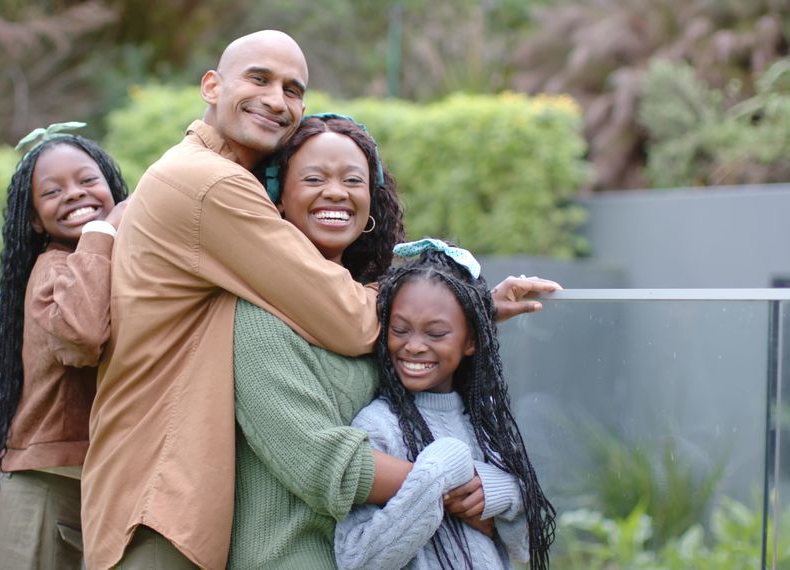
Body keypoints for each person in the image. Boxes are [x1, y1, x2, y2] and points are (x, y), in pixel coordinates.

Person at [83, 30, 558, 569]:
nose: (275, 98)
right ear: (211, 86)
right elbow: (350, 322)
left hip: (191, 491)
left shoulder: (218, 185)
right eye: (258, 78)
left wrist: (459, 317)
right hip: (162, 491)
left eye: (291, 88)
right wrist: (453, 487)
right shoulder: (212, 187)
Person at [229, 113, 405, 568]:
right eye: (313, 178)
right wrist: (454, 485)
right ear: (278, 198)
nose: (336, 193)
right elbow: (326, 465)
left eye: (353, 180)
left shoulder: (374, 304)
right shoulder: (259, 316)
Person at [0, 122, 129, 570]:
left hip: (76, 496)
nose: (74, 194)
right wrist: (103, 231)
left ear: (113, 189)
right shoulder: (54, 269)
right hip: (35, 498)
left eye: (88, 181)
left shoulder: (107, 264)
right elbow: (84, 338)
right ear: (34, 219)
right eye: (52, 191)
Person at [333, 238, 557, 570]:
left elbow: (525, 546)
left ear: (470, 341)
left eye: (436, 334)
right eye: (400, 330)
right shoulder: (377, 427)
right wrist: (440, 469)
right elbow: (357, 559)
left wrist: (504, 491)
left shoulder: (483, 420)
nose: (415, 346)